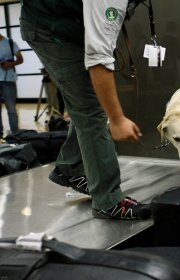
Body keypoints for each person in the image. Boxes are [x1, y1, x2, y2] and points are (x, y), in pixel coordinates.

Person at [20, 0, 151, 220]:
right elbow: (98, 62)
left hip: (67, 23)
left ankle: (70, 166)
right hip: (49, 28)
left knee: (88, 106)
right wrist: (117, 119)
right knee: (91, 111)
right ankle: (108, 201)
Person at [0, 33, 23, 137]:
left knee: (11, 109)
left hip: (8, 80)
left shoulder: (10, 42)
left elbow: (20, 59)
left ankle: (15, 134)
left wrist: (10, 64)